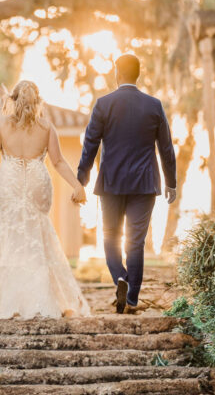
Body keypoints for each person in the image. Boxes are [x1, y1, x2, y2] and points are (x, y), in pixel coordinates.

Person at [0, 80, 91, 319]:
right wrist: (77, 185)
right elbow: (59, 161)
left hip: (10, 182)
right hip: (36, 181)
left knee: (8, 233)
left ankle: (5, 299)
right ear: (38, 101)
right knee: (38, 232)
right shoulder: (47, 127)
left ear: (12, 99)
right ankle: (46, 298)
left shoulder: (0, 124)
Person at [77, 54, 177, 314]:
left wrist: (81, 179)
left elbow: (90, 144)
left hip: (111, 182)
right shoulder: (153, 105)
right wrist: (171, 182)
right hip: (144, 184)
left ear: (117, 74)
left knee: (110, 237)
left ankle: (120, 277)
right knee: (135, 242)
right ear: (138, 75)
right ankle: (131, 298)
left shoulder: (103, 104)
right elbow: (166, 147)